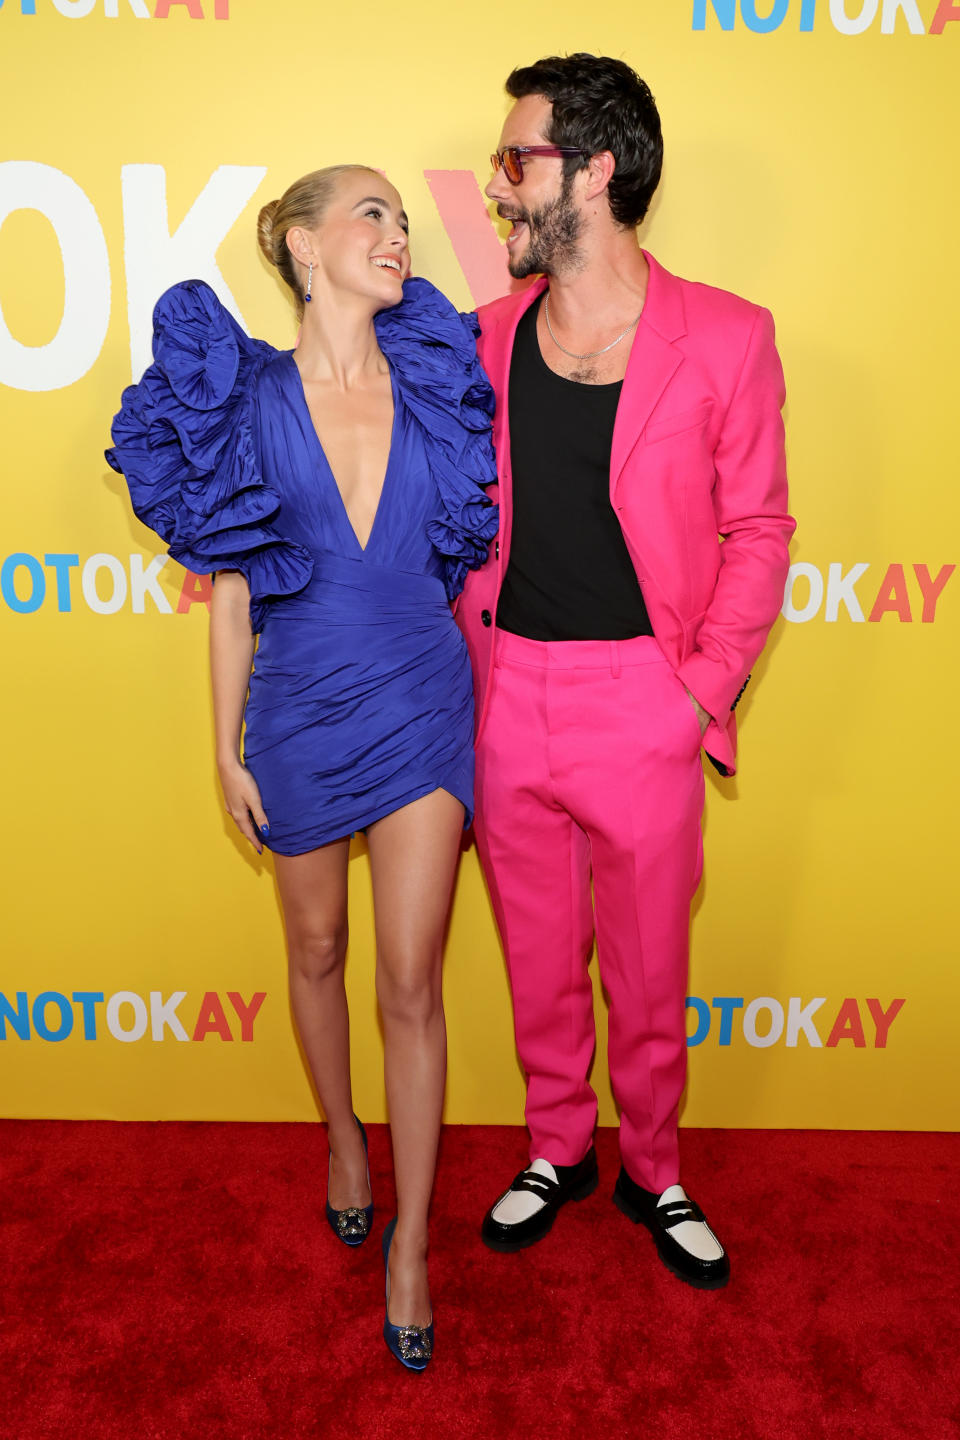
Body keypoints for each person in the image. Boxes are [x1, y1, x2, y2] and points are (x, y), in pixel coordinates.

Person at [106, 165, 497, 1368]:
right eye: (371, 213)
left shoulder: (437, 386)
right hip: (297, 707)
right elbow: (232, 597)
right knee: (317, 950)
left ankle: (414, 1244)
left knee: (410, 981)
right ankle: (342, 1136)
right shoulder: (247, 397)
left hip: (425, 699)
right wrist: (221, 748)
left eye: (403, 219)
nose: (397, 234)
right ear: (301, 243)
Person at [456, 55, 795, 1288]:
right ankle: (560, 1145)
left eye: (518, 161)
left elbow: (759, 532)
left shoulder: (728, 335)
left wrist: (700, 689)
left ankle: (654, 1164)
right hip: (507, 698)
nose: (499, 188)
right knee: (536, 954)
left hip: (645, 700)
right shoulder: (476, 339)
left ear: (594, 171)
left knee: (650, 967)